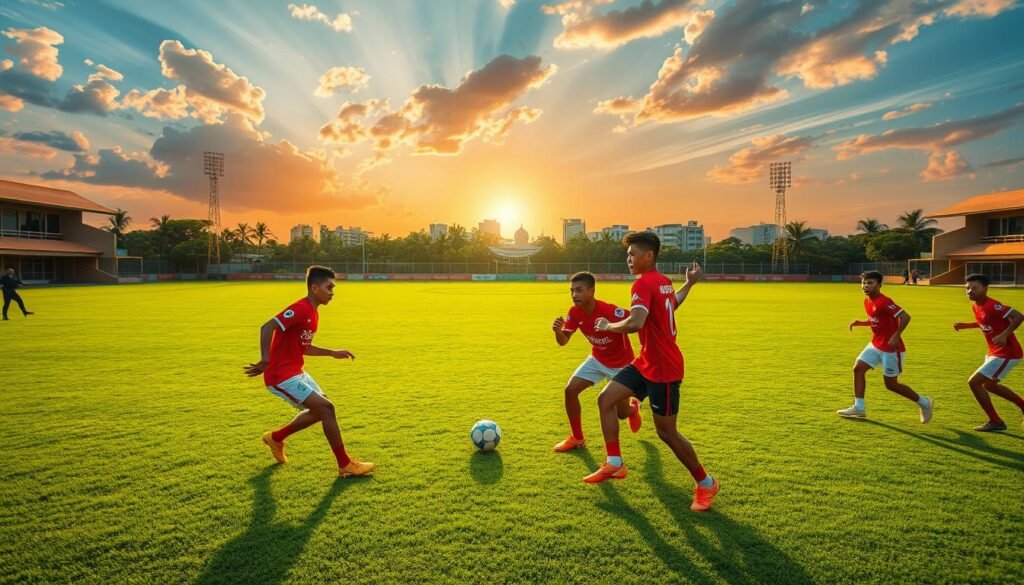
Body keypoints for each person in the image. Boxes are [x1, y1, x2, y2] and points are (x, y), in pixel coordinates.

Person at [586, 233, 719, 512]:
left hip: (664, 369)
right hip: (646, 361)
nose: (629, 259)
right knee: (606, 399)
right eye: (628, 255)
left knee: (667, 433)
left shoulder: (643, 283)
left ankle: (706, 483)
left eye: (633, 254)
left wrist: (608, 326)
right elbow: (673, 304)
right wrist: (690, 283)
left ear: (649, 256)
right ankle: (614, 463)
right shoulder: (663, 283)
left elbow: (635, 322)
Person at [244, 265, 374, 478]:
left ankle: (275, 438)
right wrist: (265, 360)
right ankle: (346, 465)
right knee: (326, 408)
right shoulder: (300, 308)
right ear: (315, 288)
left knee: (321, 411)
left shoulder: (313, 314)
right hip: (280, 375)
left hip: (296, 371)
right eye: (329, 287)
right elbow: (267, 327)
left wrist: (333, 353)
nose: (332, 292)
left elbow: (304, 347)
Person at [551, 271, 639, 452]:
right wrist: (558, 331)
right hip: (597, 359)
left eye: (579, 290)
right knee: (570, 390)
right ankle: (577, 438)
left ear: (591, 291)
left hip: (621, 366)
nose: (574, 295)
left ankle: (633, 409)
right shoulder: (574, 313)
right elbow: (563, 341)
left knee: (621, 413)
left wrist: (612, 326)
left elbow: (635, 322)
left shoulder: (610, 310)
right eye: (572, 291)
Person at [838, 271, 934, 422]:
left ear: (879, 285)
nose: (865, 286)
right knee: (858, 368)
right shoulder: (867, 301)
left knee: (891, 385)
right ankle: (859, 407)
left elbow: (905, 317)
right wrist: (862, 322)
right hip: (876, 344)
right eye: (863, 283)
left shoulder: (884, 301)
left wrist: (896, 336)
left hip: (891, 349)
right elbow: (877, 320)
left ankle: (924, 402)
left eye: (870, 283)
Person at [953, 273, 1024, 432]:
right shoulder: (976, 305)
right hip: (994, 352)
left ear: (985, 288)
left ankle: (996, 421)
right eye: (967, 288)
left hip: (1007, 353)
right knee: (989, 385)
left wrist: (1005, 334)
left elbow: (1018, 316)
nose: (970, 291)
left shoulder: (992, 305)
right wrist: (966, 325)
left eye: (974, 288)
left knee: (974, 382)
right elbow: (984, 323)